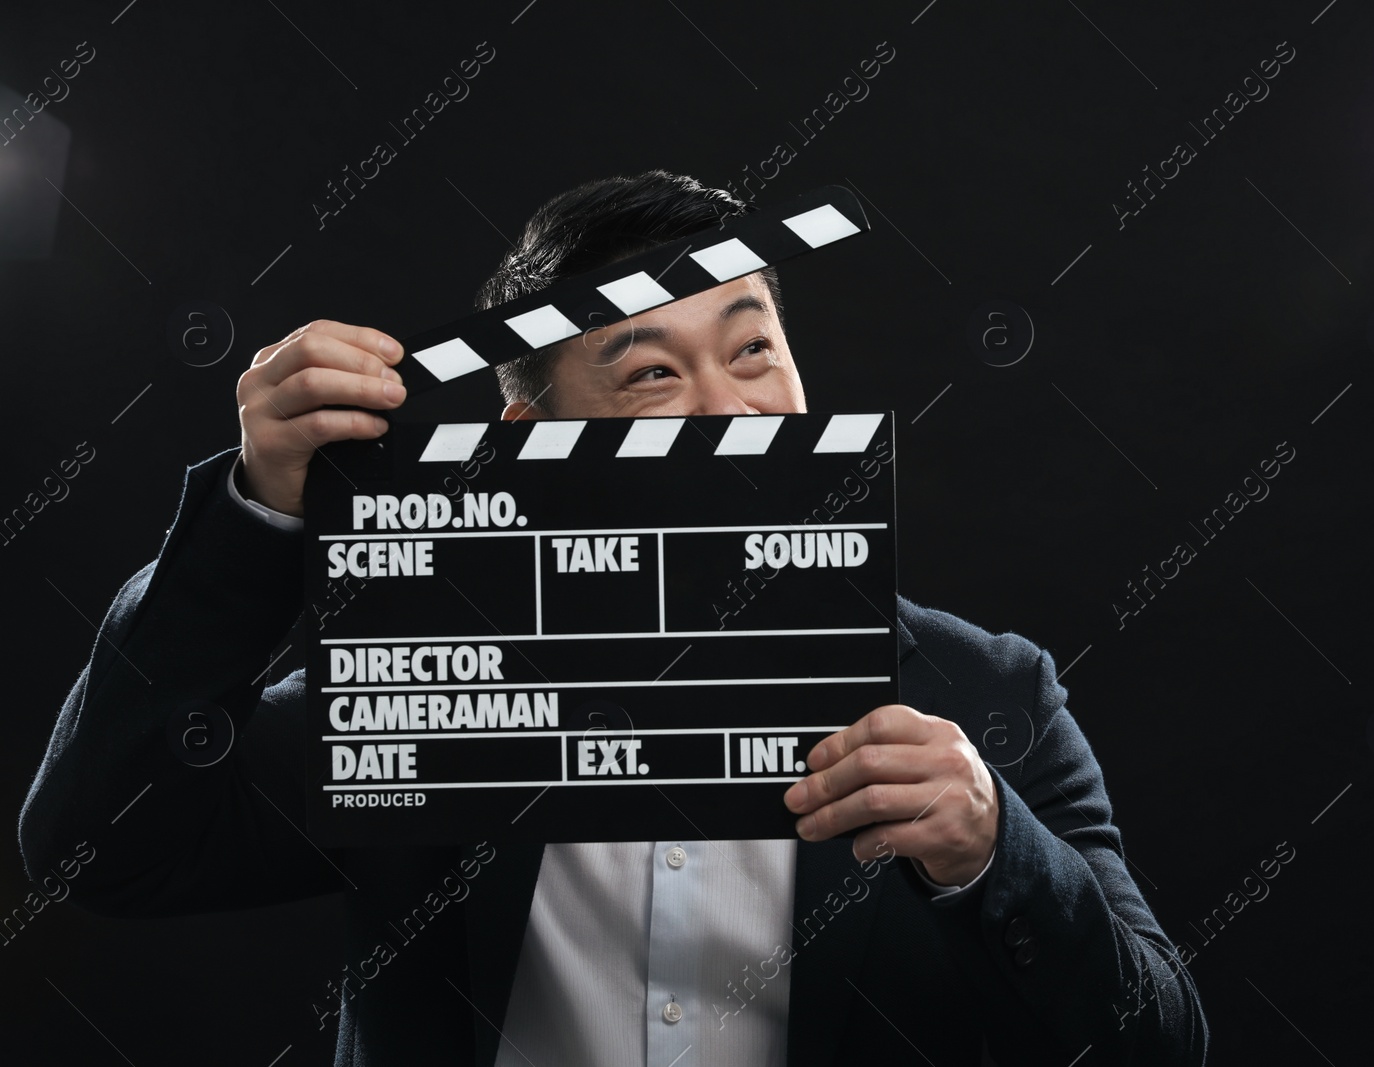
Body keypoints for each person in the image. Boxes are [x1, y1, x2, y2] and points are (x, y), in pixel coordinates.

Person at [18, 171, 1208, 1065]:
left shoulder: (986, 691)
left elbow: (1158, 1041)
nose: (720, 407)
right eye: (648, 372)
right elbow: (102, 845)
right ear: (529, 430)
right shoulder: (438, 677)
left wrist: (998, 851)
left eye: (751, 349)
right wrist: (257, 513)